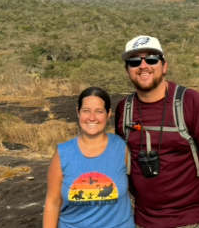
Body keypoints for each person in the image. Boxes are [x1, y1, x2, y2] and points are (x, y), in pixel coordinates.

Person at [115, 35, 199, 228]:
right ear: (127, 71)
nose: (143, 66)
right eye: (134, 61)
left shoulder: (191, 102)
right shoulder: (123, 109)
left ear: (164, 66)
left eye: (151, 59)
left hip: (192, 221)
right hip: (142, 221)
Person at [43, 87, 134, 228]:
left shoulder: (121, 147)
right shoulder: (63, 153)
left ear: (108, 114)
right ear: (78, 112)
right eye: (86, 111)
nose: (92, 117)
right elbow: (53, 202)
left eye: (99, 111)